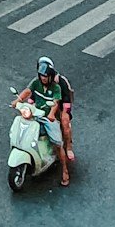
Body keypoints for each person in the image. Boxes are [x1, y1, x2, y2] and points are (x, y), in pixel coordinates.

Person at [24, 55, 76, 186]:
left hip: (60, 108)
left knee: (64, 123)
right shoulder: (37, 81)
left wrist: (60, 112)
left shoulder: (60, 83)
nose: (43, 76)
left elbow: (65, 100)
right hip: (43, 109)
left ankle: (67, 153)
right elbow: (32, 96)